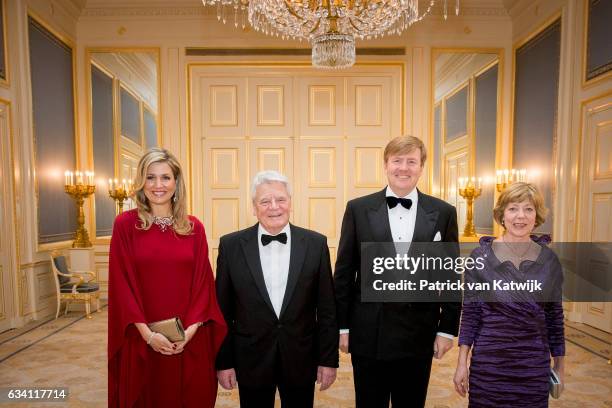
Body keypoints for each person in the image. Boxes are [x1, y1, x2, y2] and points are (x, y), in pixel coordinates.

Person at [334, 135, 461, 407]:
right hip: (369, 331)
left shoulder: (443, 212)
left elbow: (450, 276)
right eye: (397, 161)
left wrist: (447, 329)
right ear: (386, 164)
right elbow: (344, 273)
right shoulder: (358, 209)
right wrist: (342, 326)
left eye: (411, 161)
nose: (404, 168)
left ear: (421, 167)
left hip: (418, 331)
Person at [108, 148, 227, 407]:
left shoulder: (194, 228)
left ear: (176, 182)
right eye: (150, 177)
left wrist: (189, 333)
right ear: (141, 182)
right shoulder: (125, 225)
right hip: (141, 338)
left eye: (165, 177)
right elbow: (121, 286)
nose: (158, 185)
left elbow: (204, 285)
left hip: (188, 339)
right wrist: (149, 336)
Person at [215, 170, 338, 408]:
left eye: (281, 199)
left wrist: (328, 360)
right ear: (253, 207)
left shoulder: (316, 244)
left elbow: (326, 309)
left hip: (301, 356)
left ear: (290, 203)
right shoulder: (230, 246)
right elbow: (222, 309)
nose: (274, 207)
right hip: (250, 358)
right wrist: (224, 362)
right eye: (265, 201)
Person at [453, 182, 565, 408]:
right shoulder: (480, 257)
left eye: (528, 209)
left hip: (533, 364)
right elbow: (471, 314)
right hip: (490, 364)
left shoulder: (550, 260)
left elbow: (555, 317)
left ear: (537, 216)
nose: (520, 216)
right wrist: (461, 362)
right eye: (513, 208)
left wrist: (560, 365)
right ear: (502, 215)